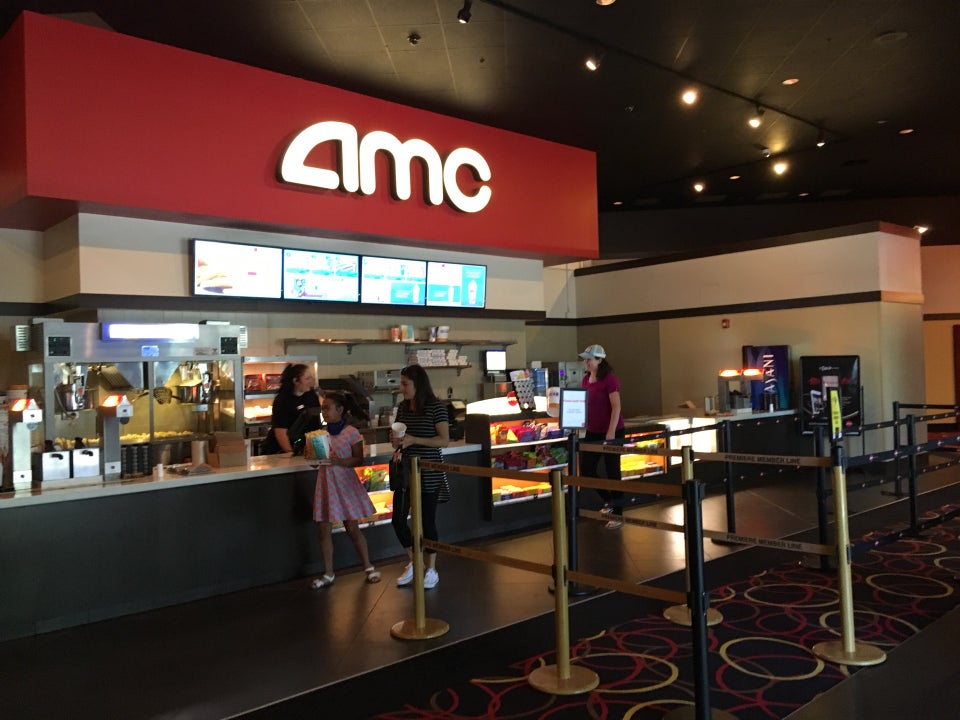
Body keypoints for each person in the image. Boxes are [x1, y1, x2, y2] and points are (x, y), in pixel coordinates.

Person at [308, 391, 380, 588]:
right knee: (323, 529)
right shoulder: (320, 434)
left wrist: (339, 461)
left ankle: (368, 566)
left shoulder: (351, 432)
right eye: (323, 408)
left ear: (340, 409)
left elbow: (358, 459)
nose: (324, 412)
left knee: (352, 527)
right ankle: (328, 572)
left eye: (327, 408)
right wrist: (312, 457)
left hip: (345, 483)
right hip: (326, 483)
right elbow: (314, 464)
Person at [390, 364, 450, 589]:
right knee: (398, 520)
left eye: (405, 384)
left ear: (418, 384)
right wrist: (397, 441)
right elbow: (400, 441)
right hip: (405, 471)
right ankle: (415, 560)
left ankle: (431, 568)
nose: (402, 388)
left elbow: (444, 440)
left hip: (429, 471)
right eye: (401, 383)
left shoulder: (436, 407)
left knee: (427, 520)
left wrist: (414, 440)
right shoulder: (403, 408)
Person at [579, 344, 626, 529]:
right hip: (593, 431)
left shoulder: (609, 379)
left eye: (589, 359)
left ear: (599, 360)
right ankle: (609, 500)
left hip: (612, 430)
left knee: (613, 470)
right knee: (587, 468)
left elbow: (616, 406)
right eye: (585, 359)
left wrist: (611, 431)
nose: (586, 362)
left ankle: (618, 513)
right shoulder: (586, 380)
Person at [262, 363, 319, 454]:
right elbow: (280, 431)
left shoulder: (311, 395)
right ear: (295, 381)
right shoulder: (282, 400)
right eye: (307, 378)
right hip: (279, 449)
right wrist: (290, 453)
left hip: (302, 445)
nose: (311, 381)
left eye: (311, 377)